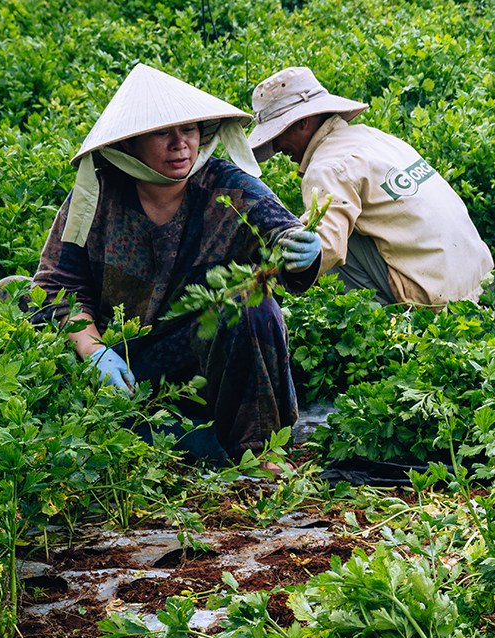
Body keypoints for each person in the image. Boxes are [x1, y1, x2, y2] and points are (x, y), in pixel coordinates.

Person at [30, 63, 323, 460]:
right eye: (161, 133)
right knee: (18, 303)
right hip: (121, 356)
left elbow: (280, 232)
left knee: (253, 306)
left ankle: (256, 452)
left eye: (188, 131)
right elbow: (55, 285)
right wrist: (92, 349)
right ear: (130, 143)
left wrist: (303, 250)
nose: (180, 144)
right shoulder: (97, 194)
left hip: (201, 360)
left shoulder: (227, 185)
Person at [249, 66, 493, 307]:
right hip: (478, 279)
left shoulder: (327, 166)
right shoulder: (374, 137)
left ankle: (383, 317)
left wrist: (289, 265)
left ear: (302, 123)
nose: (278, 147)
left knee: (335, 248)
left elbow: (328, 241)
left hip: (434, 299)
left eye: (278, 135)